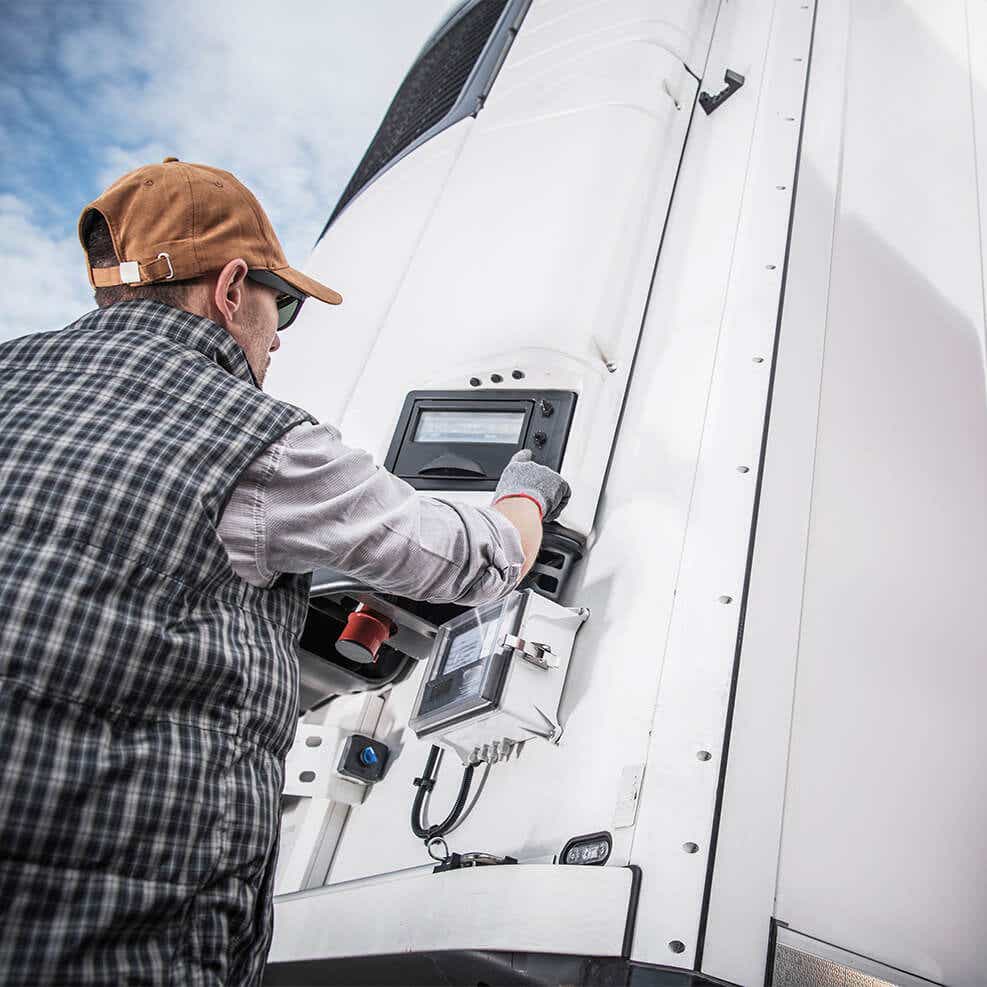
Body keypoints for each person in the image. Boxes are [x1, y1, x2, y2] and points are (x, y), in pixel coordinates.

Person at [0, 158, 570, 986]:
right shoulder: (250, 435)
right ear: (232, 289)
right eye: (283, 308)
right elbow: (471, 558)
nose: (276, 339)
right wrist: (525, 496)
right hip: (108, 937)